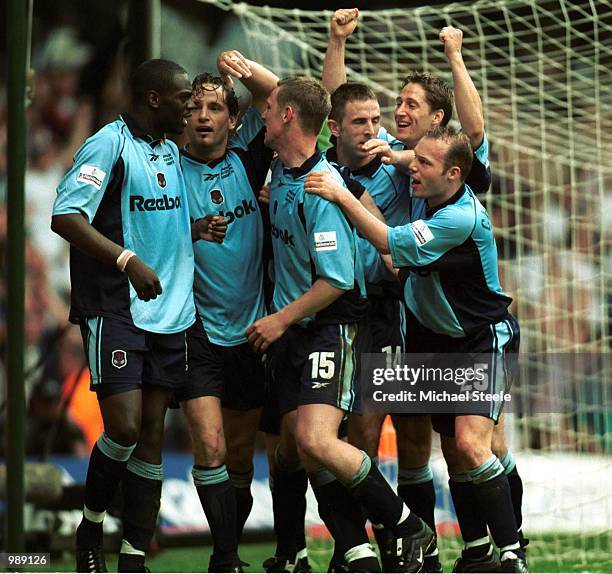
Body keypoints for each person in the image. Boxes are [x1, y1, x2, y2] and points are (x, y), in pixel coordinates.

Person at [323, 11, 526, 572]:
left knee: (475, 446)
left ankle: (512, 547)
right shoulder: (394, 157)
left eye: (412, 103)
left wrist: (456, 58)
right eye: (399, 104)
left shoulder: (453, 183)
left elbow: (473, 135)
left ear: (439, 123)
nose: (398, 112)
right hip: (421, 324)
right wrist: (338, 41)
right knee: (436, 442)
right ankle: (459, 548)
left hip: (469, 328)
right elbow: (342, 108)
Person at [247, 76, 435, 573]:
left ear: (287, 116)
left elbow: (337, 279)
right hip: (291, 332)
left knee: (320, 441)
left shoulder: (322, 187)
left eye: (269, 108)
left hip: (327, 326)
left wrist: (280, 319)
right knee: (292, 452)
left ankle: (405, 526)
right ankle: (325, 553)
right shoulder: (282, 172)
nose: (262, 114)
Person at [51, 58, 226, 573]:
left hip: (168, 313)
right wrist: (127, 262)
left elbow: (149, 224)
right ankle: (90, 526)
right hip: (114, 306)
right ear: (154, 99)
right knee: (124, 429)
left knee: (151, 436)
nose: (191, 107)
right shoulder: (109, 144)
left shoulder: (170, 151)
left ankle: (132, 559)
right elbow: (66, 216)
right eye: (183, 99)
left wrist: (193, 229)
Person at [177, 50, 278, 572]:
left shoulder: (248, 160)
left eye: (215, 107)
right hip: (196, 331)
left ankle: (228, 549)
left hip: (254, 331)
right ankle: (227, 558)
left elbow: (282, 100)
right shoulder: (167, 173)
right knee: (210, 447)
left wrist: (243, 69)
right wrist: (192, 232)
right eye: (194, 107)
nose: (203, 116)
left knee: (239, 459)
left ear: (234, 120)